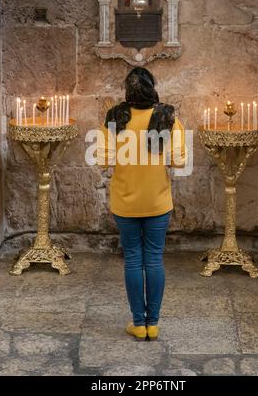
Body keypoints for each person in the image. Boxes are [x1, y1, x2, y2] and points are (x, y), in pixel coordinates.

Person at [97, 68, 187, 341]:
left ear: (128, 90)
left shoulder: (114, 118)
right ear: (153, 87)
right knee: (154, 259)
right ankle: (153, 324)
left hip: (125, 203)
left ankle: (138, 323)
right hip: (158, 201)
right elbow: (179, 161)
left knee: (133, 260)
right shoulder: (168, 117)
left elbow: (103, 161)